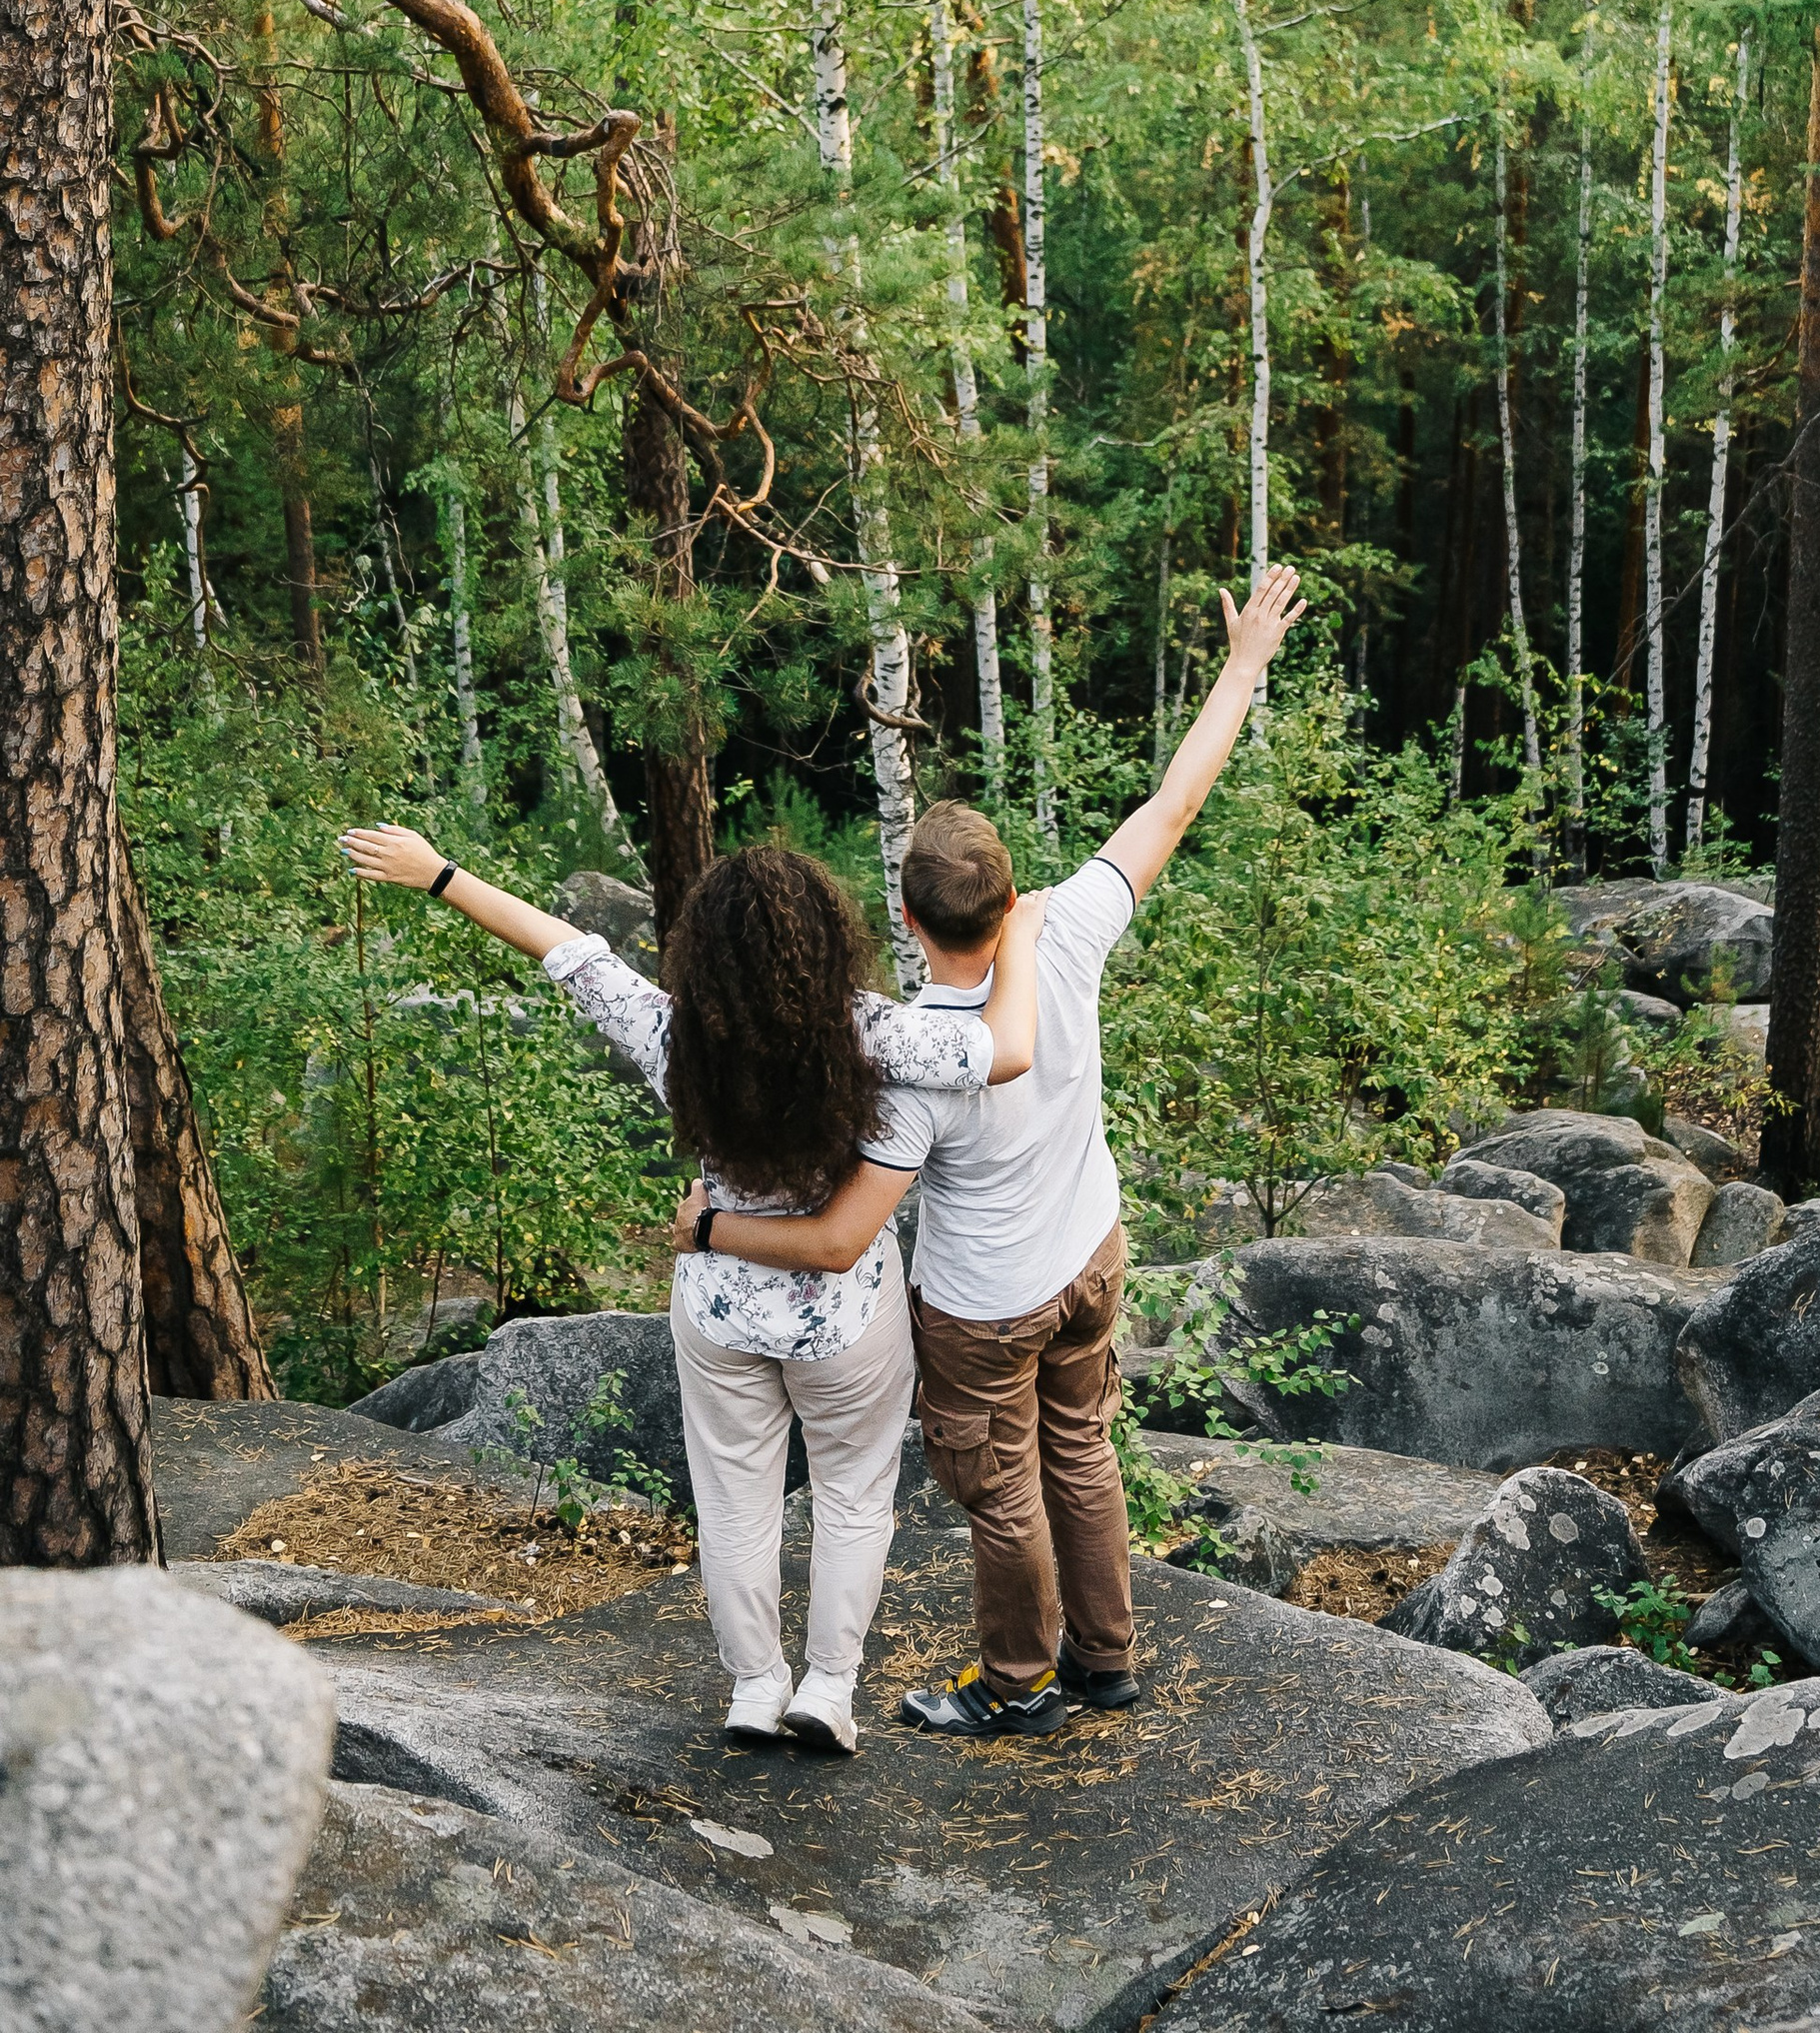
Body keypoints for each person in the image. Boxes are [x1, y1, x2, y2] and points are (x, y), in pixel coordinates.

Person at [697, 561, 1306, 1738]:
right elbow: (1173, 803)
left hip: (981, 1309)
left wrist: (711, 1226)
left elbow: (838, 1239)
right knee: (1081, 1445)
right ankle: (1108, 1657)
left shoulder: (906, 1061)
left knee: (1005, 1490)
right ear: (1009, 891)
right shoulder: (1067, 926)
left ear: (910, 920)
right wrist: (1241, 668)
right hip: (1091, 1254)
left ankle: (1019, 1685)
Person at [339, 819, 1039, 1755]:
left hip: (717, 1311)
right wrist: (1022, 936)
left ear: (699, 950)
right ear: (831, 941)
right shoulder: (875, 1035)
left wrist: (440, 875)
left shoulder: (673, 1031)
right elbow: (1007, 1051)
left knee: (736, 1501)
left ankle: (755, 1686)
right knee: (853, 1496)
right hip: (845, 1322)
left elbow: (566, 947)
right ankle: (828, 1688)